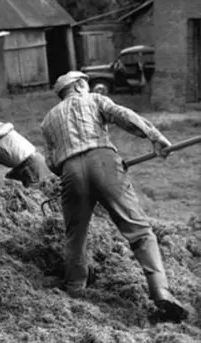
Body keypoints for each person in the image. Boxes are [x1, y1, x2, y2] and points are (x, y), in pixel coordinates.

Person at [41, 71, 189, 322]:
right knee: (140, 231)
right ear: (78, 85)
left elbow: (52, 162)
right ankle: (160, 290)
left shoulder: (47, 121)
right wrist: (154, 136)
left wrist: (75, 163)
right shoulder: (94, 100)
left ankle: (75, 289)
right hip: (104, 161)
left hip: (70, 173)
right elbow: (123, 116)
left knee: (75, 235)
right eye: (85, 83)